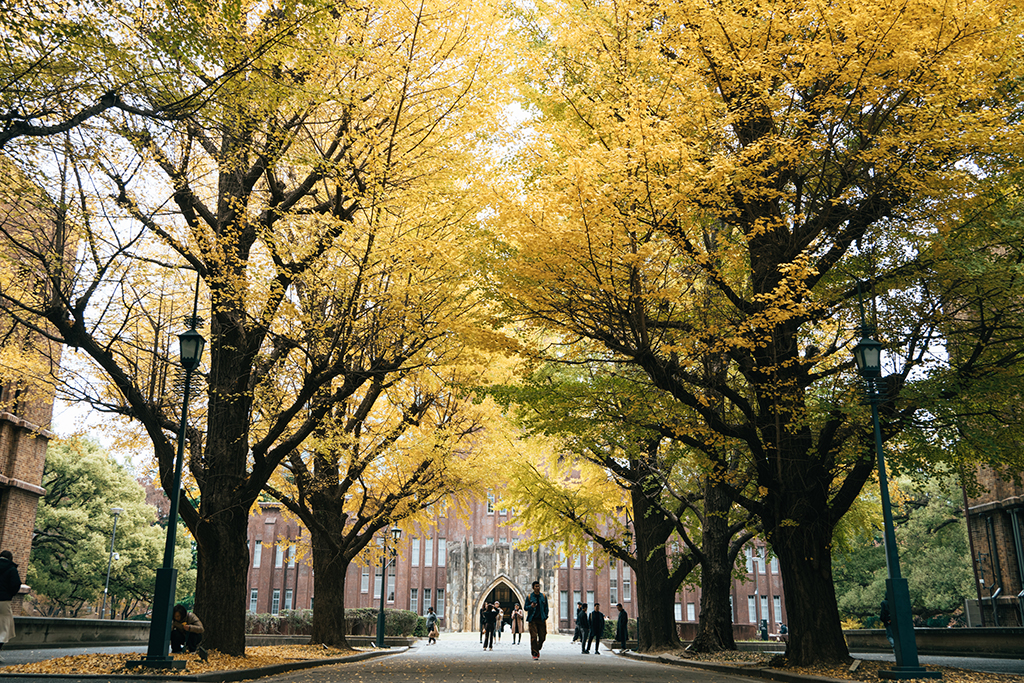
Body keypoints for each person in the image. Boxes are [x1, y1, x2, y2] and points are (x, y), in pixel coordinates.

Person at [0, 550, 23, 663]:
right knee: (4, 627)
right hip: (3, 601)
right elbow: (16, 584)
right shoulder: (11, 569)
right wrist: (9, 594)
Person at [524, 580, 548, 660]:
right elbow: (525, 608)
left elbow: (546, 607)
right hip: (533, 620)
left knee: (542, 637)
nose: (538, 588)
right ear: (533, 587)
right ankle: (534, 652)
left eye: (538, 586)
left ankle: (537, 648)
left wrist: (546, 615)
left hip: (541, 619)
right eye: (536, 586)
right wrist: (531, 606)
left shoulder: (543, 596)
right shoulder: (530, 597)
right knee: (533, 637)